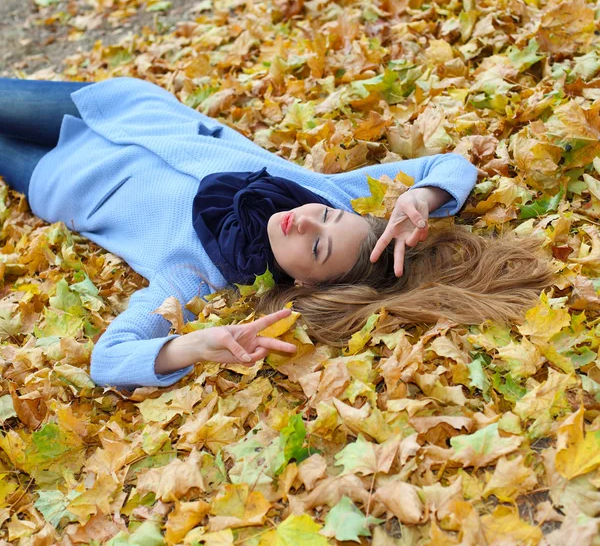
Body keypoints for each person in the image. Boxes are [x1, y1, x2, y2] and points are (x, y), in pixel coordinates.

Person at [0, 78, 553, 389]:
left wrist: (189, 345)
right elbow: (452, 165)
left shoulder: (197, 273)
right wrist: (422, 198)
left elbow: (107, 360)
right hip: (124, 108)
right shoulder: (320, 194)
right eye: (327, 219)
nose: (307, 220)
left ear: (304, 284)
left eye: (315, 246)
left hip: (60, 179)